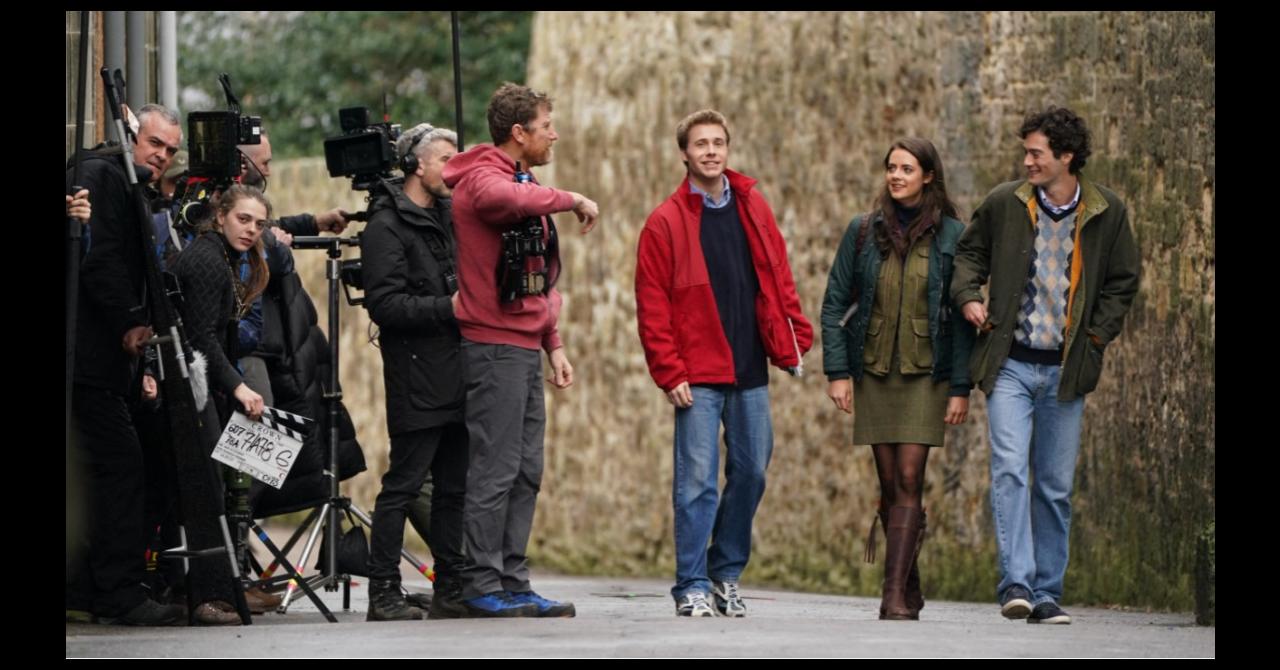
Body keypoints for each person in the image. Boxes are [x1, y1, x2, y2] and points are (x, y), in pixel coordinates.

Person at [951, 106, 1141, 625]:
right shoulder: (1005, 204)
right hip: (1010, 363)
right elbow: (968, 256)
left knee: (1055, 486)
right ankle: (1016, 582)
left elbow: (1124, 281)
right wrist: (969, 296)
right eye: (1026, 152)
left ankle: (1047, 592)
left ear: (1066, 156)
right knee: (1010, 470)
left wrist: (1097, 336)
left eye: (1036, 153)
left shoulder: (1107, 212)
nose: (1026, 161)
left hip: (1065, 371)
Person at [635, 109, 812, 617]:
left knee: (752, 470)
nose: (711, 151)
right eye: (700, 144)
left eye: (718, 143)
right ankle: (691, 584)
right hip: (697, 374)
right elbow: (652, 305)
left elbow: (778, 276)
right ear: (685, 154)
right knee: (695, 483)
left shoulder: (753, 206)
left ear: (727, 149)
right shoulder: (664, 222)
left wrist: (793, 337)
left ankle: (724, 573)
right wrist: (669, 371)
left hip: (750, 366)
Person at [441, 82, 598, 617]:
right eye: (546, 125)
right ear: (519, 132)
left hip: (524, 345)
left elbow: (536, 277)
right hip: (492, 347)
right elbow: (497, 200)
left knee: (527, 468)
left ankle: (512, 579)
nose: (553, 133)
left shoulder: (521, 179)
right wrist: (571, 198)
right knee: (496, 468)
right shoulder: (484, 177)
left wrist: (553, 344)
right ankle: (482, 583)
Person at [820, 138, 975, 621]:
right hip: (873, 371)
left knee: (910, 476)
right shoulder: (864, 232)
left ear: (928, 175)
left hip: (928, 374)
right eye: (891, 167)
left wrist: (960, 387)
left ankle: (891, 599)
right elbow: (834, 305)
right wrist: (838, 373)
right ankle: (909, 583)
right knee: (888, 484)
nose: (896, 175)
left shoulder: (954, 236)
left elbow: (962, 313)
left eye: (907, 168)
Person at [67, 103, 187, 626]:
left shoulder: (120, 181)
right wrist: (131, 322)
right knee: (120, 467)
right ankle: (116, 591)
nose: (161, 156)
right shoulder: (101, 174)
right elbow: (101, 261)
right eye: (155, 143)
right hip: (87, 359)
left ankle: (90, 589)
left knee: (102, 472)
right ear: (130, 134)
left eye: (170, 151)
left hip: (99, 362)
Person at [360, 123, 469, 621]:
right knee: (403, 486)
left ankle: (453, 587)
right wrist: (449, 307)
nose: (455, 168)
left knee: (452, 488)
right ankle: (383, 592)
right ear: (417, 165)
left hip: (457, 370)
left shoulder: (450, 215)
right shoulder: (386, 226)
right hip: (417, 373)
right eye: (446, 159)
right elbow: (385, 305)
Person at [168, 184, 272, 625]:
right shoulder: (210, 261)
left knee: (225, 481)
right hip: (191, 385)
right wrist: (238, 386)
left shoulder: (219, 256)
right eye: (244, 219)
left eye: (259, 224)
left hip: (197, 383)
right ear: (222, 215)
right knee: (208, 488)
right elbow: (200, 335)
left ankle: (223, 589)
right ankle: (209, 596)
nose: (251, 230)